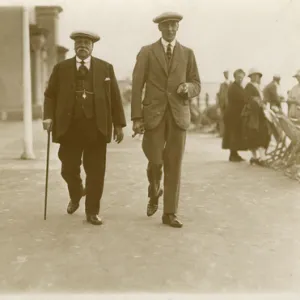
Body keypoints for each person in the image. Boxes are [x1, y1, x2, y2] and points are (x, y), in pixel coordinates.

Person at [42, 31, 126, 225]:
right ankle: (76, 192)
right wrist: (48, 117)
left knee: (96, 171)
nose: (83, 45)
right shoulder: (61, 68)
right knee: (68, 168)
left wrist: (119, 125)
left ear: (92, 46)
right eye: (79, 42)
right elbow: (50, 95)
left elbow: (115, 98)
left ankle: (92, 211)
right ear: (74, 46)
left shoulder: (105, 68)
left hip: (96, 128)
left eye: (86, 43)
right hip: (69, 128)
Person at [131, 12, 201, 228]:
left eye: (174, 25)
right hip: (153, 116)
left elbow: (196, 83)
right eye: (166, 26)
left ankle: (169, 213)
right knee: (155, 159)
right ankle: (154, 188)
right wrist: (136, 117)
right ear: (159, 28)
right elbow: (137, 85)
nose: (170, 29)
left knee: (174, 164)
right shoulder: (147, 52)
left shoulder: (188, 53)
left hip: (179, 115)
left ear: (178, 27)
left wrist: (187, 88)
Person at [241, 68, 271, 166]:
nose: (258, 77)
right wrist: (257, 101)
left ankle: (259, 157)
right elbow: (246, 99)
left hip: (260, 115)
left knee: (262, 134)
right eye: (256, 75)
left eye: (259, 76)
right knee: (254, 135)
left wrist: (262, 102)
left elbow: (262, 100)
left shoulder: (258, 87)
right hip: (253, 116)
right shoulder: (249, 87)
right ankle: (257, 157)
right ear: (252, 77)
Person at [222, 69, 247, 162]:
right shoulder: (233, 87)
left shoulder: (238, 86)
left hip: (235, 114)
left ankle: (234, 154)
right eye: (238, 77)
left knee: (235, 134)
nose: (240, 79)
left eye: (242, 77)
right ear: (235, 77)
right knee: (233, 134)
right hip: (232, 114)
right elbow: (242, 99)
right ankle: (233, 155)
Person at [217, 70, 231, 137]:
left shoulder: (231, 83)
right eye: (225, 74)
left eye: (227, 74)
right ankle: (222, 133)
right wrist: (219, 106)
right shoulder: (222, 85)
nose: (226, 75)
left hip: (230, 105)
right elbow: (219, 95)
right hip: (223, 105)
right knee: (222, 119)